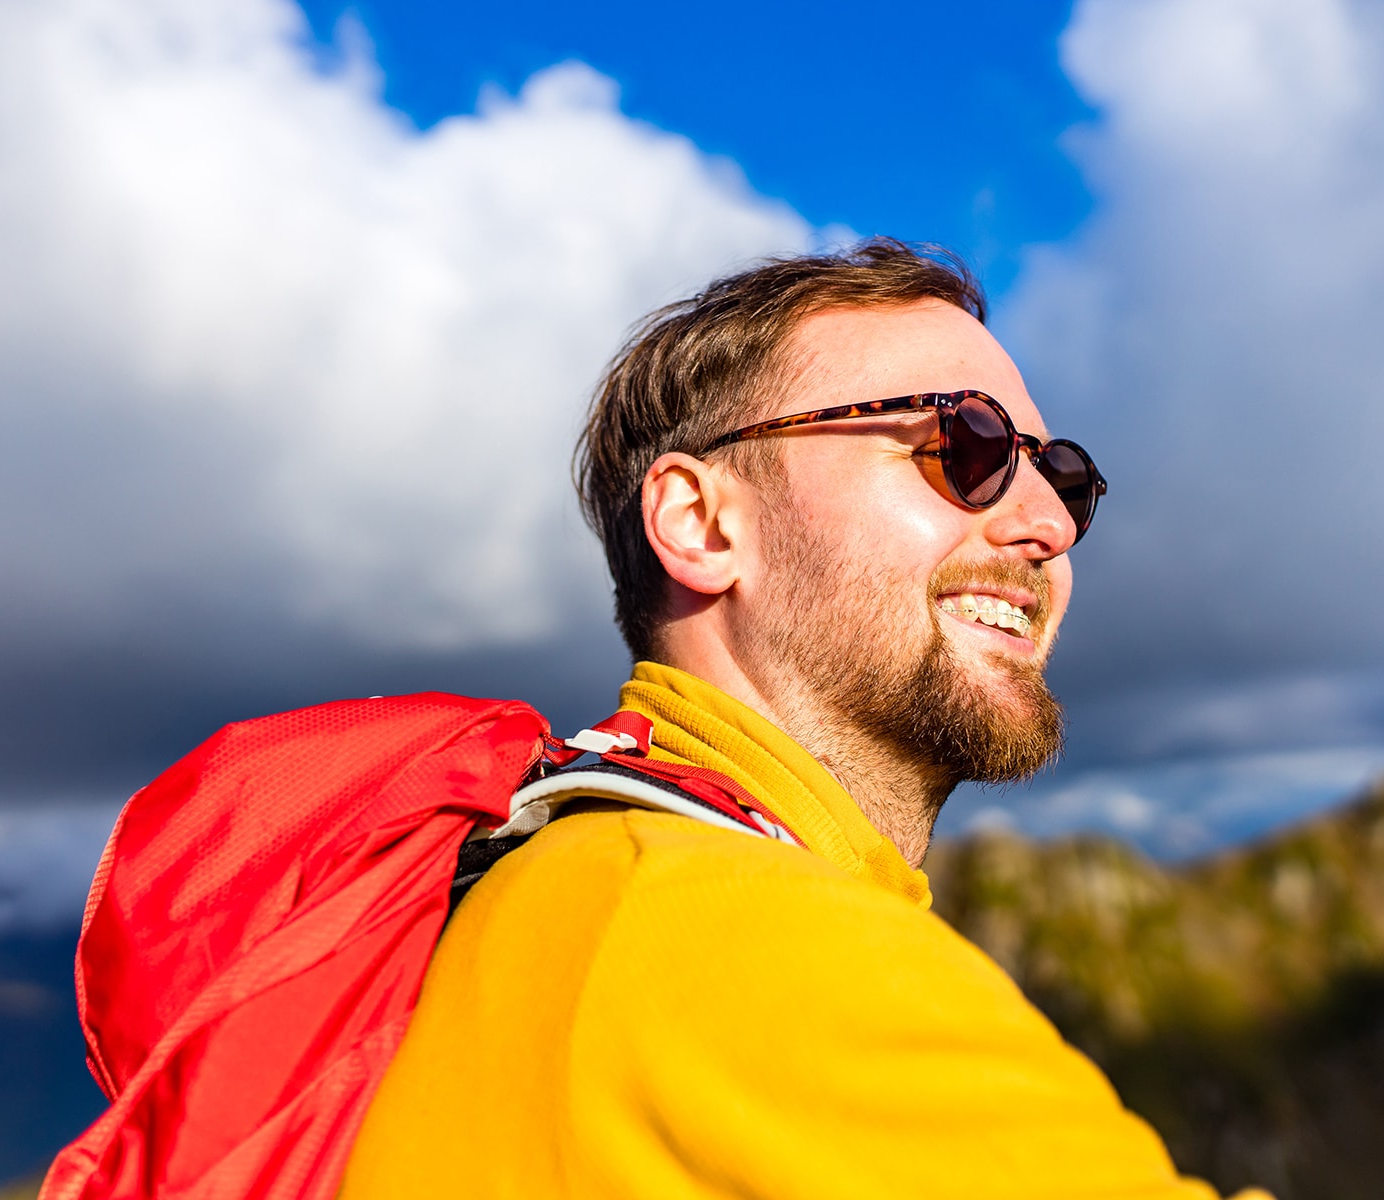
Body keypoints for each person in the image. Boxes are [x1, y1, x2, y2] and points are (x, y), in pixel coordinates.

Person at [340, 240, 1265, 1199]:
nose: (1051, 525)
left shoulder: (590, 877)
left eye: (1061, 476)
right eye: (967, 445)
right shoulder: (730, 937)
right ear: (702, 525)